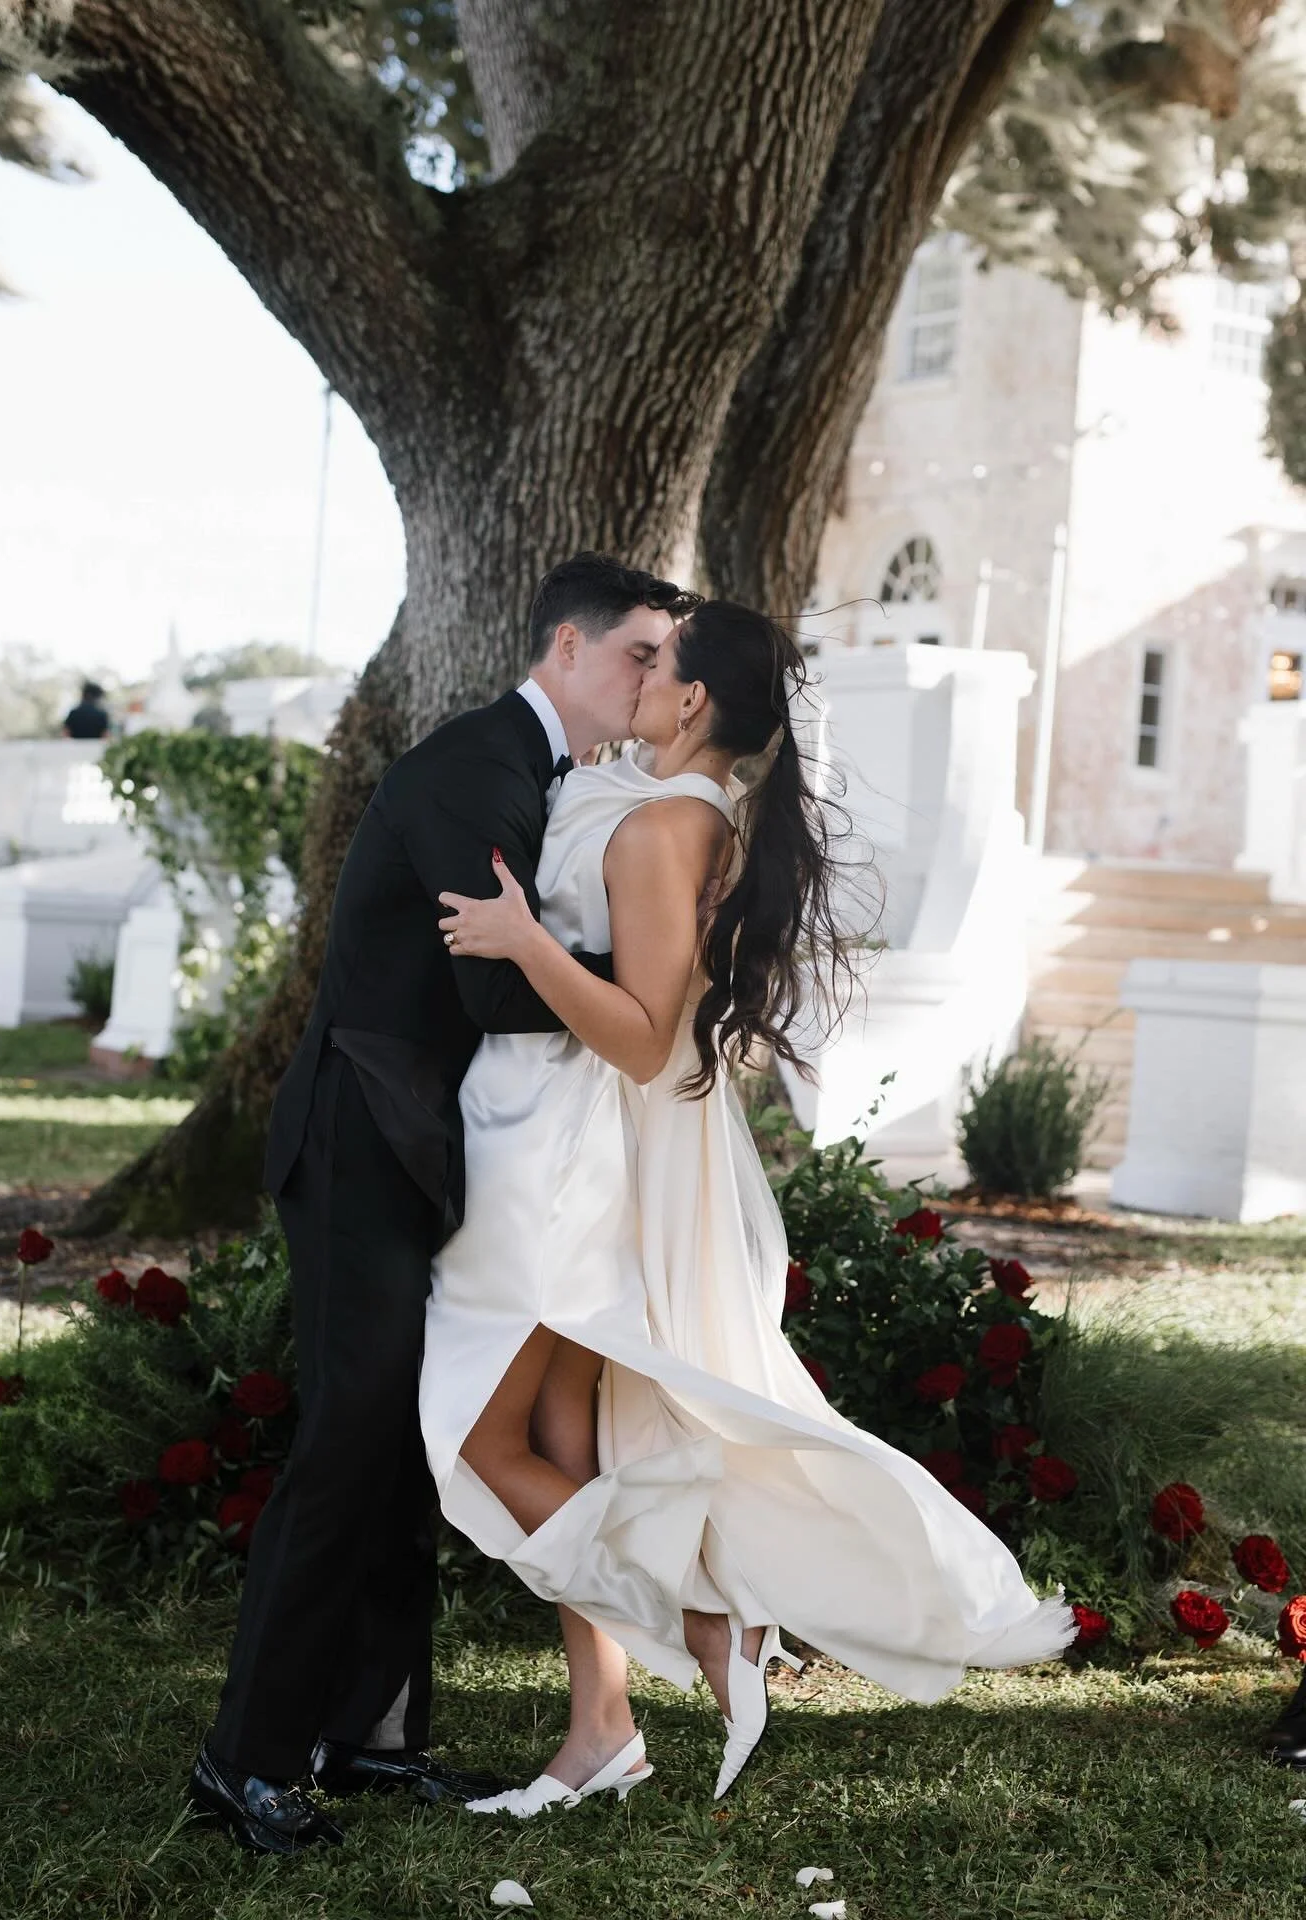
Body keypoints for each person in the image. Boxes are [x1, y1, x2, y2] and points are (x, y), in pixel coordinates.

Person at [423, 599, 1077, 1817]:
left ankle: (704, 1623)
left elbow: (637, 1033)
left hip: (587, 1152)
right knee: (572, 1434)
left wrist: (521, 941)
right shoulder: (668, 799)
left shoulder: (672, 822)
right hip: (582, 1142)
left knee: (479, 1431)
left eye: (658, 663)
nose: (639, 675)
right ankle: (600, 1728)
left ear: (693, 704)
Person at [188, 553, 698, 1854]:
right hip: (365, 1145)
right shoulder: (476, 768)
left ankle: (372, 1737)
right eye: (639, 652)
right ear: (567, 652)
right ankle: (245, 1762)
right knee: (349, 1440)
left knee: (412, 1432)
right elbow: (486, 984)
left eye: (666, 659)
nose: (655, 678)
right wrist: (657, 1002)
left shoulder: (560, 778)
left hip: (442, 1156)